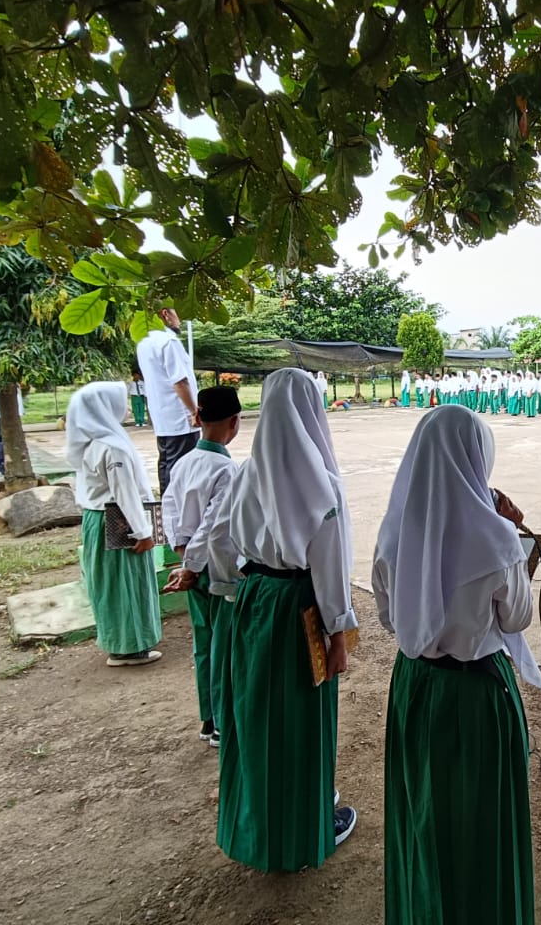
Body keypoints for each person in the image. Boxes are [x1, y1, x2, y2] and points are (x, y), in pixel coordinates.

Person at [374, 405, 541, 925]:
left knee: (425, 806)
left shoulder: (394, 531)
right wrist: (517, 533)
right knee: (479, 816)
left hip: (416, 687)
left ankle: (423, 908)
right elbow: (515, 619)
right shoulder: (496, 538)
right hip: (477, 696)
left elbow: (387, 618)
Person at [205, 368, 358, 872]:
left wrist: (235, 593)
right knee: (302, 723)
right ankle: (305, 829)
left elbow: (220, 542)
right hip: (300, 610)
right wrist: (338, 633)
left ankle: (254, 830)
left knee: (254, 717)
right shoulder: (322, 485)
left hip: (255, 602)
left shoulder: (245, 473)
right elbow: (331, 568)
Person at [161, 386, 242, 749]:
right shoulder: (226, 469)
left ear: (197, 418)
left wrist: (181, 553)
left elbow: (170, 508)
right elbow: (215, 525)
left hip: (189, 565)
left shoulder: (183, 463)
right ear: (235, 423)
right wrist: (193, 564)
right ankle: (224, 721)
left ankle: (208, 718)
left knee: (203, 643)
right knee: (223, 644)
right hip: (213, 568)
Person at [66, 382, 162, 667]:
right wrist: (144, 532)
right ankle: (131, 646)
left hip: (96, 519)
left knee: (108, 585)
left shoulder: (88, 443)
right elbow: (125, 493)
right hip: (118, 521)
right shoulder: (112, 447)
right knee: (126, 583)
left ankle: (117, 643)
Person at [136, 307, 199, 496]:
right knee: (181, 467)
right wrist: (194, 411)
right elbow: (179, 381)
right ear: (166, 314)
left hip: (162, 415)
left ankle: (165, 509)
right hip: (180, 416)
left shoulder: (144, 341)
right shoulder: (168, 341)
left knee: (166, 463)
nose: (179, 320)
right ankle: (177, 512)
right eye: (177, 313)